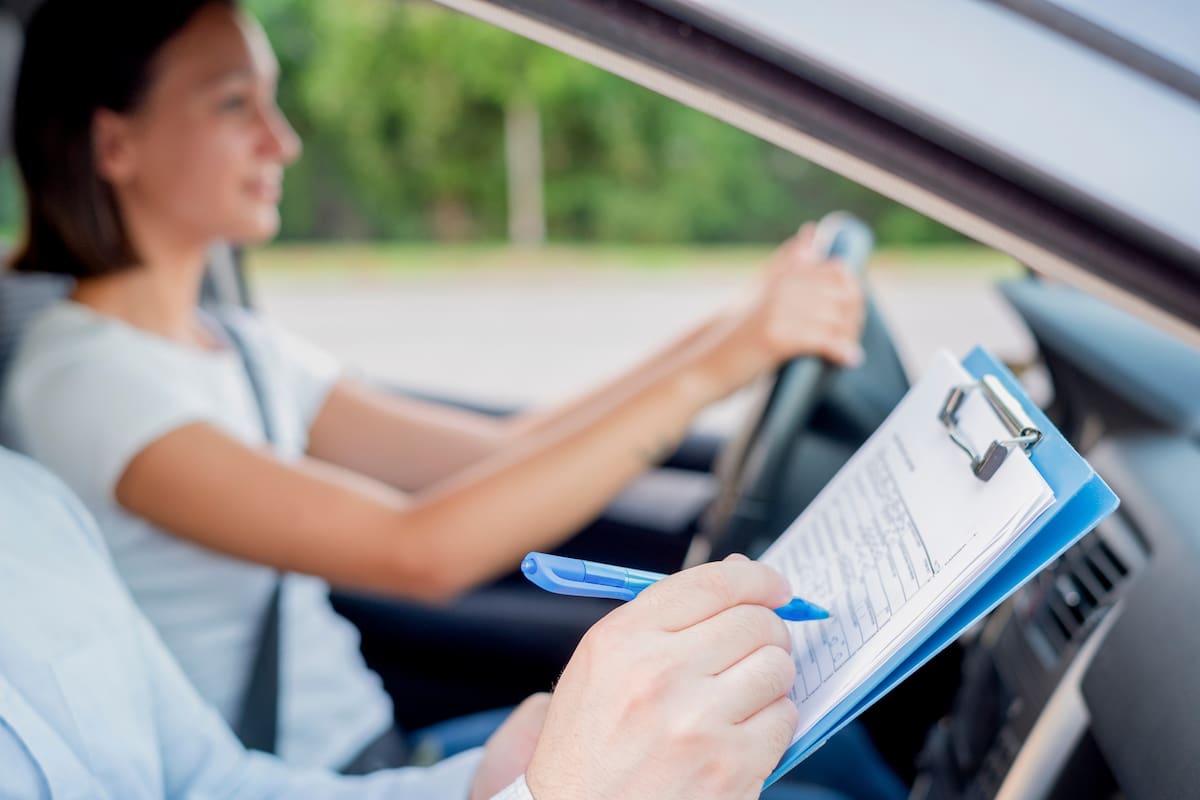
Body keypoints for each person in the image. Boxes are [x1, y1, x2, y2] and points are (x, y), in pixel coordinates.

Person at [1, 0, 873, 779]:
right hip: (327, 772)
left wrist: (734, 331)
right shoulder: (82, 380)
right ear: (114, 143)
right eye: (235, 105)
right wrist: (724, 361)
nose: (283, 141)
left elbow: (502, 451)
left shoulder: (236, 344)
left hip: (384, 759)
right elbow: (418, 552)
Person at [0, 444, 811, 800]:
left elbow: (214, 788)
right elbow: (416, 549)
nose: (280, 141)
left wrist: (474, 785)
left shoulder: (25, 503)